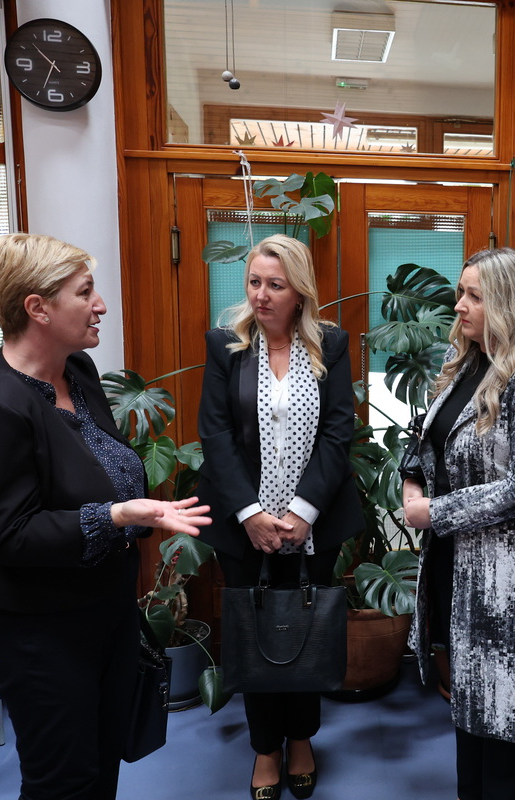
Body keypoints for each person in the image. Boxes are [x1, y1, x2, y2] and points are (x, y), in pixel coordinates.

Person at [0, 233, 211, 800]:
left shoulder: (78, 372)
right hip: (42, 633)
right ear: (37, 308)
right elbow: (11, 536)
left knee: (102, 767)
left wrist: (130, 512)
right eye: (85, 292)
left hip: (104, 615)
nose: (100, 305)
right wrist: (115, 516)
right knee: (63, 782)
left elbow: (100, 467)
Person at [196, 234, 361, 800]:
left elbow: (338, 431)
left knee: (307, 629)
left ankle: (302, 739)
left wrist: (303, 511)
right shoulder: (226, 346)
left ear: (300, 292)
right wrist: (249, 513)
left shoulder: (330, 344)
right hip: (243, 524)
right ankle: (266, 747)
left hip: (313, 525)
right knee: (254, 633)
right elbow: (215, 434)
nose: (261, 295)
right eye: (254, 282)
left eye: (275, 284)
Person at [402, 247, 515, 800]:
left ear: (505, 302)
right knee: (471, 721)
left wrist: (435, 512)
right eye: (461, 292)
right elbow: (426, 441)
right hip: (458, 568)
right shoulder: (463, 363)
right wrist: (411, 483)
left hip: (509, 580)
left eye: (474, 295)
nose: (459, 305)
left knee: (507, 727)